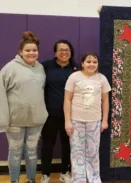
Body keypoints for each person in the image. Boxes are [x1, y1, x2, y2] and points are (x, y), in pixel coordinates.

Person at [0, 31, 48, 183]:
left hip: (35, 120)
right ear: (20, 52)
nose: (31, 53)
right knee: (15, 152)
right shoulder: (9, 68)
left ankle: (31, 179)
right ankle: (14, 180)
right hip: (15, 121)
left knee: (32, 152)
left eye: (34, 50)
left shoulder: (40, 68)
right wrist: (3, 119)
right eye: (27, 50)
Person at [64, 53, 110, 183]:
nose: (91, 64)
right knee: (77, 150)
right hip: (76, 120)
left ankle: (94, 178)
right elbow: (67, 100)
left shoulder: (101, 79)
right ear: (83, 63)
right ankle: (79, 179)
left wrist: (104, 120)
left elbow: (105, 100)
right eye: (88, 61)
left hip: (94, 121)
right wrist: (68, 121)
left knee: (93, 151)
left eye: (94, 62)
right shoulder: (74, 77)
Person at [40, 40, 78, 183]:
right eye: (61, 50)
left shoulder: (76, 69)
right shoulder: (45, 66)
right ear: (55, 52)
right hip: (49, 114)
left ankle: (65, 172)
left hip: (70, 115)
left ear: (71, 52)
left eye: (67, 50)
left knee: (67, 145)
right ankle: (45, 174)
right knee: (48, 144)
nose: (64, 52)